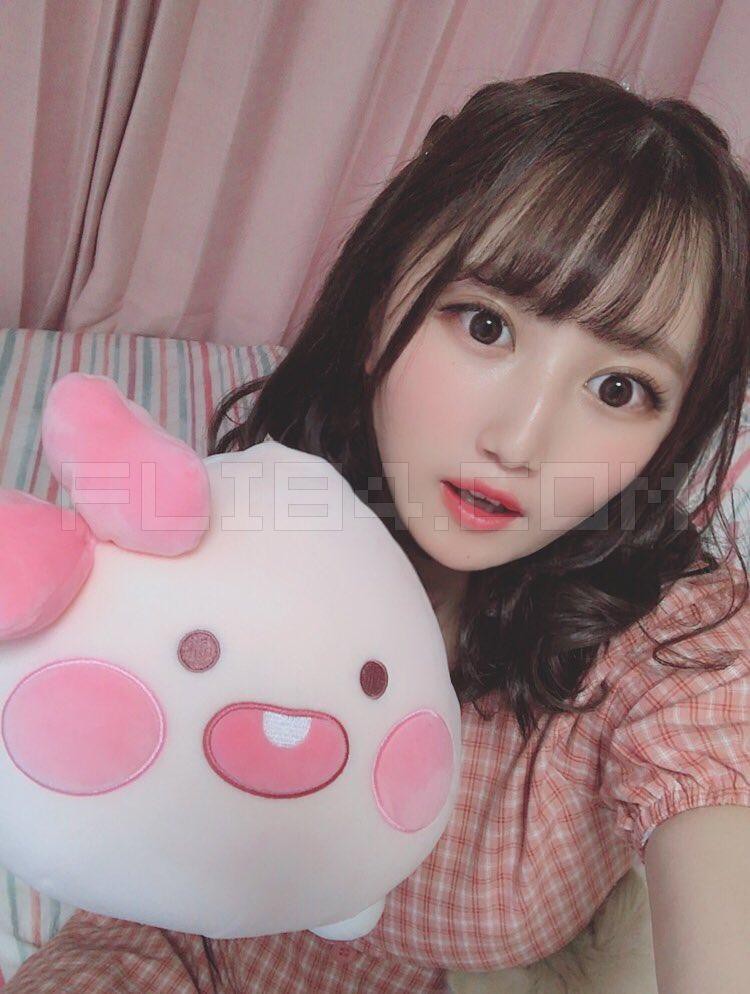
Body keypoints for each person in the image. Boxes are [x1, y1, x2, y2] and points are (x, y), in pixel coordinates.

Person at [5, 70, 749, 994]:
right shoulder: (256, 517)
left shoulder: (672, 643)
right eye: (486, 326)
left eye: (619, 388)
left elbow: (718, 801)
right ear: (378, 307)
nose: (519, 443)